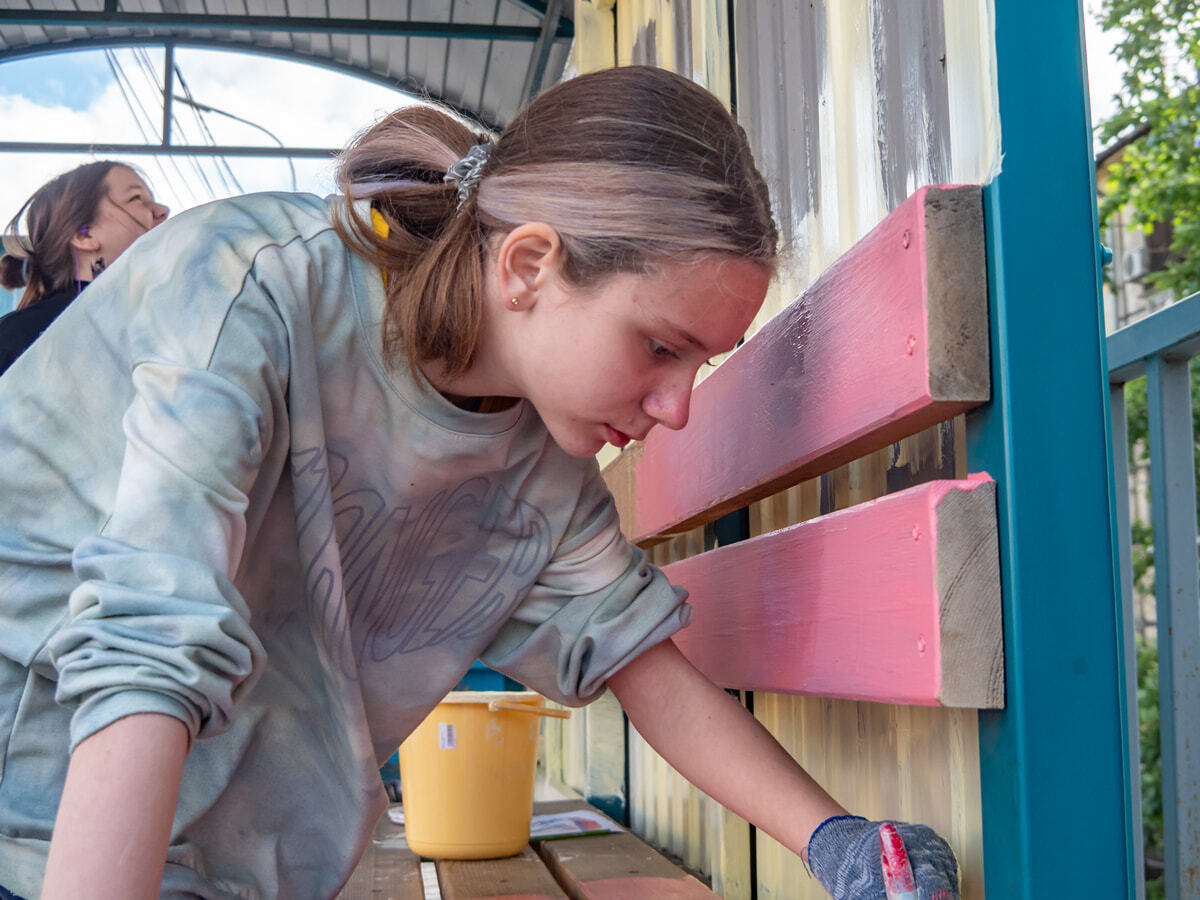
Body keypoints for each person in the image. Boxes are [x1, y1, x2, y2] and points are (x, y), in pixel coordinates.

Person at [0, 66, 958, 900]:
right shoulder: (256, 286)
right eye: (660, 347)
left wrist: (839, 845)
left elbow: (649, 673)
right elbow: (146, 648)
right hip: (35, 826)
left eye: (701, 365)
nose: (677, 408)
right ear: (529, 264)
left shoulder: (543, 476)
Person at [0, 161, 168, 375]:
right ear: (84, 235)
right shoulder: (18, 338)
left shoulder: (163, 326)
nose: (162, 211)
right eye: (136, 198)